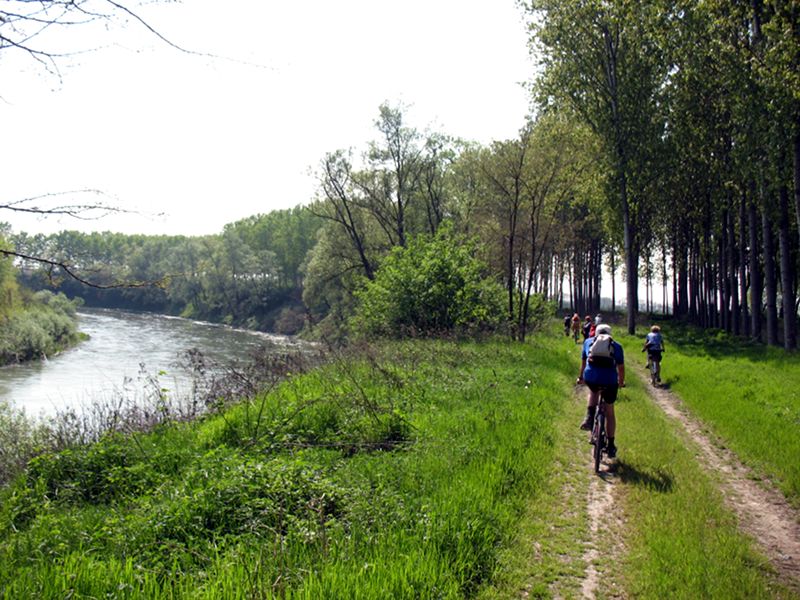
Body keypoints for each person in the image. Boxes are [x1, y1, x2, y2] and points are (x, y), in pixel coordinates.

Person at [576, 323, 625, 458]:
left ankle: (589, 418)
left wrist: (581, 377)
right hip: (609, 380)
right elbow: (620, 368)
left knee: (593, 391)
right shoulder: (616, 346)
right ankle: (610, 445)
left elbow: (584, 363)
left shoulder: (588, 342)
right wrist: (621, 383)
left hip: (592, 377)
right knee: (609, 411)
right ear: (610, 334)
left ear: (596, 333)